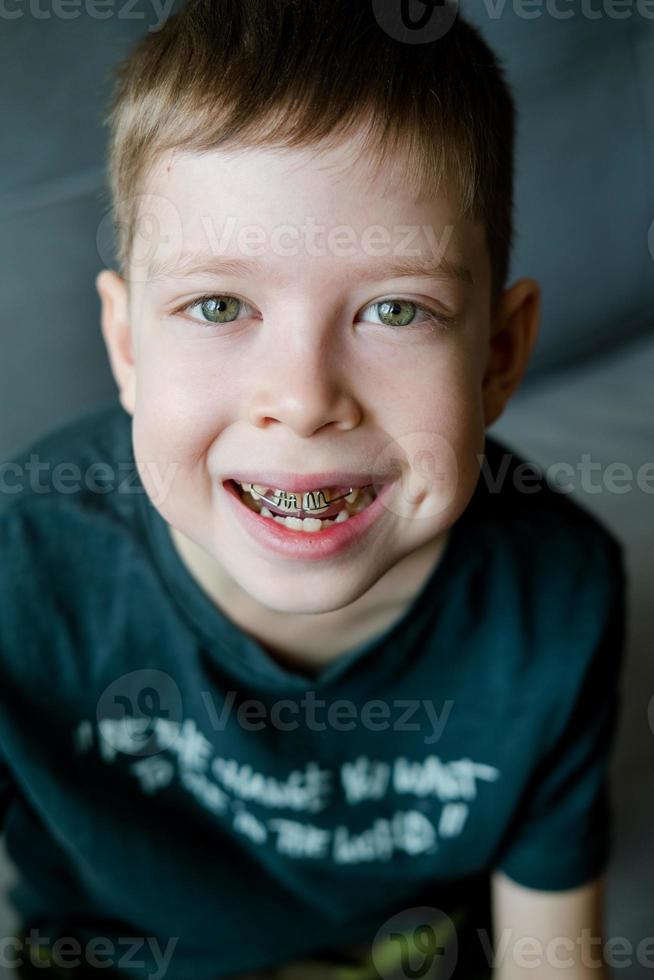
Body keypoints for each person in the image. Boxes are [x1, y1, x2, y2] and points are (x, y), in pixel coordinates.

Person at [0, 1, 627, 978]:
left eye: (394, 308)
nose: (301, 399)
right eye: (218, 304)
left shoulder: (558, 594)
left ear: (498, 355)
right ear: (127, 345)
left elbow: (553, 951)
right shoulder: (22, 568)